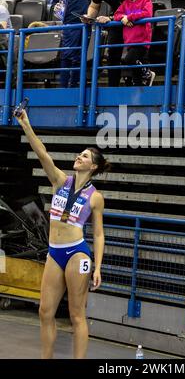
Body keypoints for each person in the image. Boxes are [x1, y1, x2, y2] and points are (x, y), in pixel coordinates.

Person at [14, 109, 107, 359]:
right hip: (55, 252)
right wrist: (26, 125)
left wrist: (97, 267)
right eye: (80, 153)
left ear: (93, 166)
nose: (79, 156)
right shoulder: (60, 181)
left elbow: (98, 235)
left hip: (78, 253)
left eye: (84, 156)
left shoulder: (95, 197)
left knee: (77, 315)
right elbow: (42, 153)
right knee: (45, 312)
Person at [52, 0, 95, 87]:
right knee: (67, 55)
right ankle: (64, 87)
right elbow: (55, 2)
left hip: (85, 24)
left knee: (80, 56)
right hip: (70, 24)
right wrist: (56, 8)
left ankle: (75, 86)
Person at [84, 0, 126, 87]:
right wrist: (89, 17)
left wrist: (111, 18)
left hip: (135, 20)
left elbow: (137, 8)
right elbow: (94, 6)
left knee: (137, 53)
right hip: (116, 20)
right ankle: (113, 89)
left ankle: (140, 87)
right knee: (112, 55)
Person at [114, 0, 155, 86]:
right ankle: (141, 85)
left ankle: (148, 74)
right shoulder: (126, 2)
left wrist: (130, 17)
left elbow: (147, 13)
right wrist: (123, 18)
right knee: (136, 73)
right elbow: (116, 14)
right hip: (130, 40)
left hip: (142, 41)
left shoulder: (146, 0)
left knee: (129, 60)